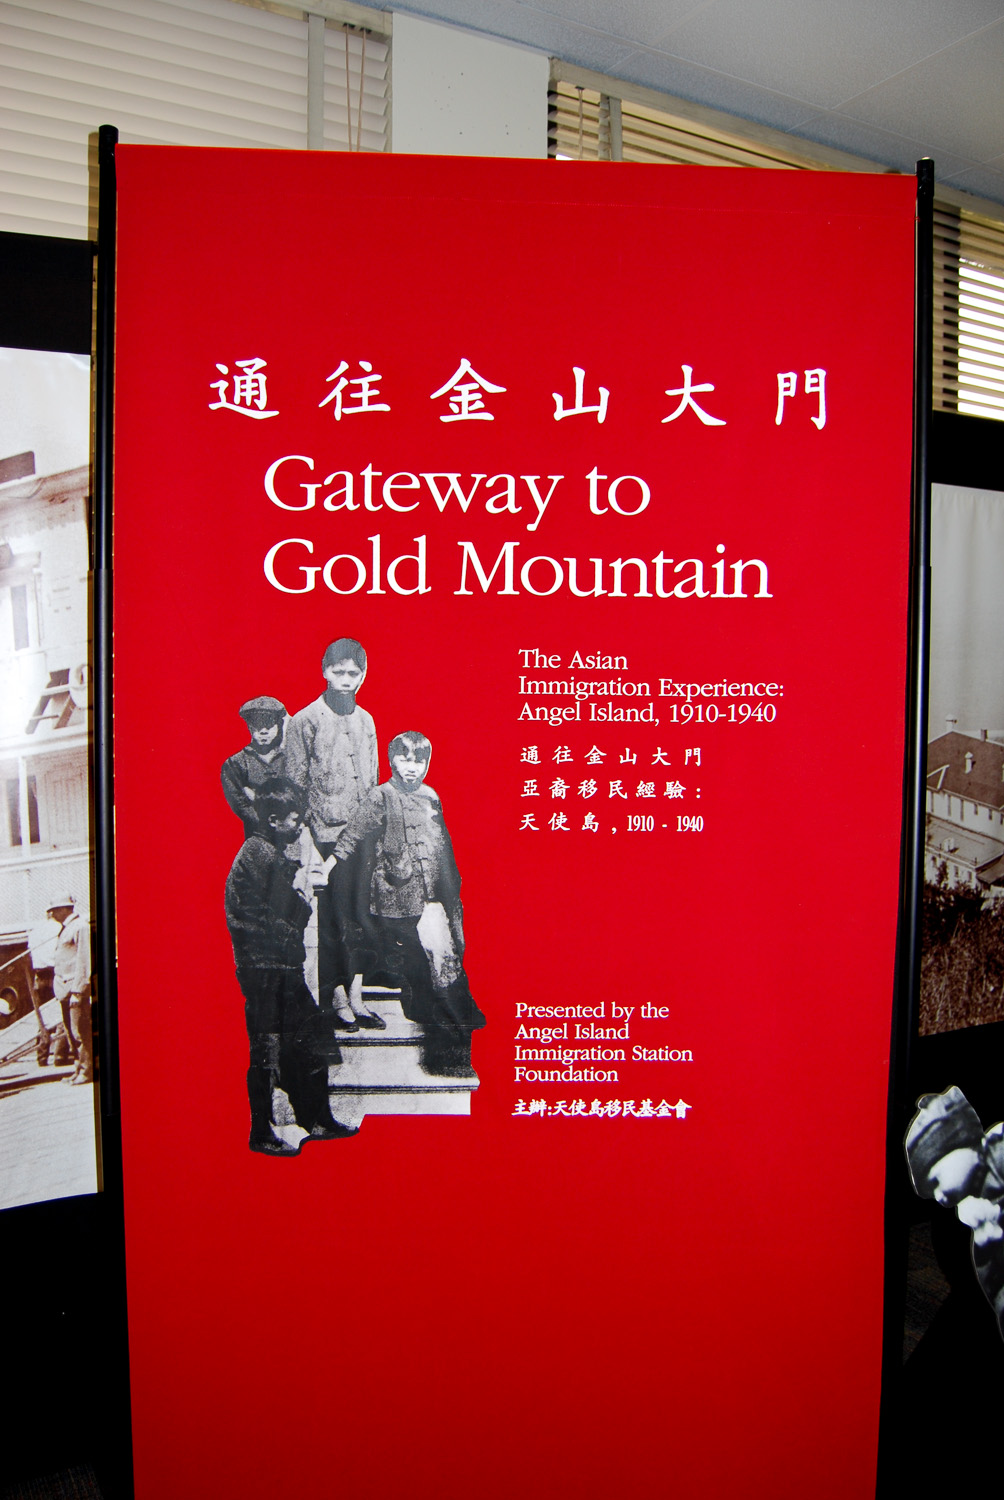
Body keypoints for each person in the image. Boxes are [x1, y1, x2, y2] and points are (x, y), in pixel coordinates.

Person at [335, 732, 485, 1077]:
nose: (411, 767)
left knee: (446, 968)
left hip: (430, 900)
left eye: (419, 761)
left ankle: (450, 1055)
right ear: (391, 760)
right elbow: (352, 835)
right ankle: (441, 1049)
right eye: (404, 759)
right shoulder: (380, 795)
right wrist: (329, 865)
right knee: (422, 971)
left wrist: (447, 895)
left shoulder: (431, 796)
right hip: (393, 902)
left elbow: (442, 848)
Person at [224, 778, 355, 1155]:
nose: (299, 825)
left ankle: (316, 1119)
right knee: (268, 1050)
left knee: (304, 1039)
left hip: (276, 967)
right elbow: (289, 913)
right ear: (273, 819)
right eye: (294, 818)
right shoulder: (262, 854)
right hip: (267, 972)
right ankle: (262, 1132)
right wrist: (297, 910)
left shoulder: (263, 851)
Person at [284, 638, 381, 1030]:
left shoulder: (367, 721)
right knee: (335, 919)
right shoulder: (304, 721)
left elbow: (373, 782)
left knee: (362, 916)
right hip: (326, 835)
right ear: (324, 670)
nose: (345, 679)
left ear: (364, 675)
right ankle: (337, 997)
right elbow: (295, 785)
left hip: (364, 837)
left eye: (353, 673)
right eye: (337, 672)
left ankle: (357, 995)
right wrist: (312, 842)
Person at [906, 1085, 1004, 1337]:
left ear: (956, 1143)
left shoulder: (1000, 1150)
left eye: (936, 1181)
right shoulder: (974, 1209)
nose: (939, 1196)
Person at [221, 696, 289, 840]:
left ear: (279, 725)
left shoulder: (291, 758)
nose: (263, 731)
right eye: (257, 726)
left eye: (269, 725)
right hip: (258, 833)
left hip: (290, 831)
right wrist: (264, 823)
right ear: (249, 727)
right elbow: (239, 803)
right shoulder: (236, 763)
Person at [46, 895, 92, 1085]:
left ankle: (87, 1071)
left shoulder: (80, 927)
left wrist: (78, 991)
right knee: (71, 1032)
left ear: (65, 909)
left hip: (74, 989)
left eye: (55, 910)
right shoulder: (67, 928)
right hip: (64, 990)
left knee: (80, 1031)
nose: (52, 914)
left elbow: (84, 961)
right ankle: (78, 1068)